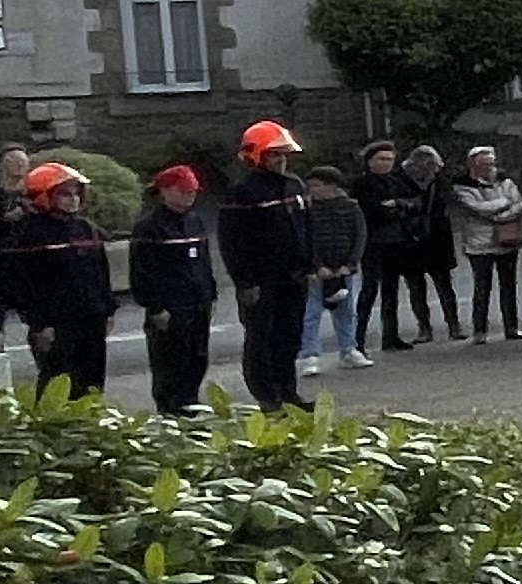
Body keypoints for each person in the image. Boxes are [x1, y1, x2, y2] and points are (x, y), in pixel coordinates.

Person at [219, 122, 317, 410]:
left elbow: (306, 228)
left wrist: (311, 265)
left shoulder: (294, 185)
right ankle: (267, 396)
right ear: (257, 156)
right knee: (261, 338)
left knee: (290, 336)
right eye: (274, 154)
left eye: (283, 154)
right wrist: (244, 282)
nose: (281, 159)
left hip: (293, 276)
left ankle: (288, 392)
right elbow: (232, 243)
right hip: (262, 279)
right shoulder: (242, 193)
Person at [0, 162, 118, 394]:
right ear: (44, 196)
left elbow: (100, 273)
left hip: (91, 319)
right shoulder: (29, 234)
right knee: (57, 386)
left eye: (76, 193)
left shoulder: (86, 228)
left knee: (92, 384)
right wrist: (39, 324)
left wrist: (108, 310)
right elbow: (23, 285)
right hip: (55, 324)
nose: (73, 199)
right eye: (65, 194)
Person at [131, 165, 219, 413]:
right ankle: (170, 409)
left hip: (197, 301)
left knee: (197, 357)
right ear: (165, 191)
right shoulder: (149, 228)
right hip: (170, 306)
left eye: (192, 191)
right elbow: (142, 271)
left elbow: (204, 261)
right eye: (183, 191)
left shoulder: (195, 221)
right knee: (170, 362)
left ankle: (190, 404)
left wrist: (210, 294)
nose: (190, 196)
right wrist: (155, 307)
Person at [356, 141, 456, 348]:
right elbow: (371, 211)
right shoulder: (362, 184)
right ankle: (357, 339)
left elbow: (415, 203)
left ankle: (390, 336)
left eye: (389, 159)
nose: (386, 163)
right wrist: (396, 208)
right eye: (381, 159)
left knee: (391, 291)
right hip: (375, 243)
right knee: (369, 291)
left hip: (400, 242)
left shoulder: (398, 180)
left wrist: (398, 205)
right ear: (370, 161)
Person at [446, 145, 522, 343]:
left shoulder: (505, 180)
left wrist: (501, 216)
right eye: (483, 164)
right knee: (482, 288)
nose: (488, 168)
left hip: (507, 239)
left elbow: (519, 203)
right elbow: (478, 208)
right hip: (479, 244)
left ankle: (511, 327)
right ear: (472, 165)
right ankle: (480, 331)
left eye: (491, 163)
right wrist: (504, 203)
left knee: (509, 286)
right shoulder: (463, 185)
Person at [300, 164, 371, 371]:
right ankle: (310, 355)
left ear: (332, 185)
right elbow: (306, 240)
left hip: (344, 268)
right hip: (317, 271)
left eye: (318, 185)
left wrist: (350, 264)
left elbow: (359, 236)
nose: (313, 190)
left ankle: (348, 349)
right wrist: (315, 266)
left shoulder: (351, 208)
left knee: (346, 311)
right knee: (311, 313)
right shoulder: (308, 211)